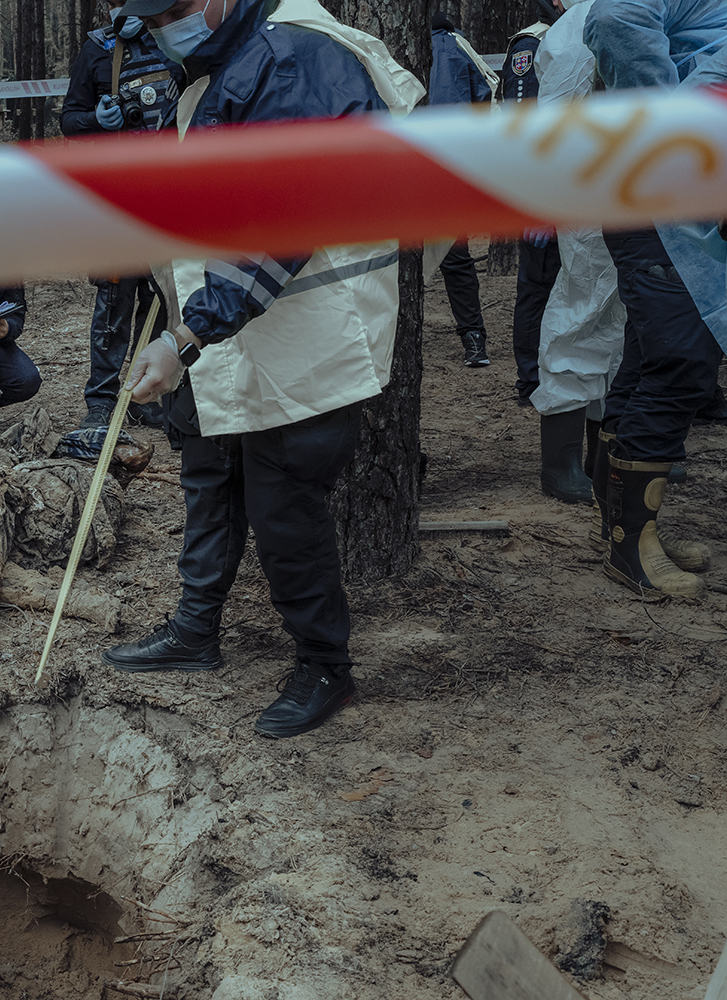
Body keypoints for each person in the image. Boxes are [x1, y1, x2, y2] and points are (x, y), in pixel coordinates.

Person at [103, 0, 419, 739]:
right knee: (209, 474)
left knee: (285, 506)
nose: (165, 29)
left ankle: (323, 665)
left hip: (302, 335)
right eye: (152, 21)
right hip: (226, 330)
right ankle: (195, 629)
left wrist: (183, 340)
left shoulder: (299, 57)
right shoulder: (215, 61)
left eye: (177, 11)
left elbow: (279, 230)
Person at [579, 0, 727, 598]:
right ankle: (631, 548)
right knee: (680, 360)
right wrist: (675, 142)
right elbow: (616, 19)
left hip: (693, 201)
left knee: (651, 354)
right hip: (666, 197)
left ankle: (623, 530)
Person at [61, 8, 184, 430]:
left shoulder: (178, 36)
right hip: (117, 200)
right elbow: (69, 118)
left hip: (170, 194)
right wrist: (97, 119)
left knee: (161, 296)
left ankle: (144, 393)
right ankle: (101, 398)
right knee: (114, 300)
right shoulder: (98, 48)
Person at [527, 0, 625, 508]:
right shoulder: (580, 25)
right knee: (583, 305)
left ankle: (600, 453)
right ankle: (559, 461)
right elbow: (557, 114)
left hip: (633, 185)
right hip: (591, 186)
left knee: (619, 318)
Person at [429, 11, 496, 367]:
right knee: (455, 257)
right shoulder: (460, 46)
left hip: (408, 162)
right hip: (450, 165)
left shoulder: (391, 44)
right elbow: (485, 99)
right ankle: (474, 338)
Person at [504, 0, 563, 403]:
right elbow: (522, 124)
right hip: (541, 190)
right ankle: (531, 380)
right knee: (537, 286)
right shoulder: (532, 43)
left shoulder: (575, 33)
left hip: (576, 186)